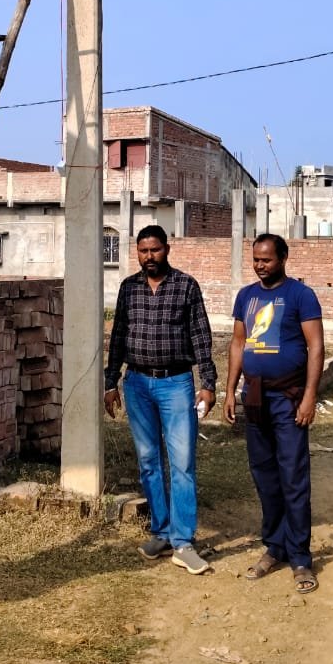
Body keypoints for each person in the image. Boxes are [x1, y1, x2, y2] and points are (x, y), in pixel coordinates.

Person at [104, 226, 217, 575]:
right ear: (136, 252)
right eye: (143, 251)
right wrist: (110, 382)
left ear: (166, 249)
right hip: (137, 383)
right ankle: (161, 531)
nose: (149, 256)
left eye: (154, 250)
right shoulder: (129, 288)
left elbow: (201, 335)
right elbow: (119, 335)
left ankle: (183, 542)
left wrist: (208, 383)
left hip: (176, 383)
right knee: (148, 461)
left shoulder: (186, 286)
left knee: (182, 463)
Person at [224, 234, 324, 594]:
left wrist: (310, 396)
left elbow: (316, 346)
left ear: (283, 258)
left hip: (288, 398)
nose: (260, 265)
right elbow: (238, 343)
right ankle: (274, 546)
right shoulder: (246, 296)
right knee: (264, 475)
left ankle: (299, 557)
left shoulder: (301, 295)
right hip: (255, 397)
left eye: (266, 259)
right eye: (256, 259)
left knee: (293, 476)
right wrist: (230, 390)